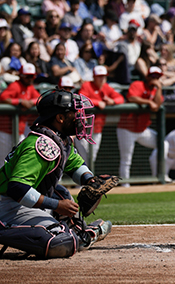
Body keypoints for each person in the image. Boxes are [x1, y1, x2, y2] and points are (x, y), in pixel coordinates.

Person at [0, 88, 111, 258]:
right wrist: (57, 206)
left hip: (20, 201)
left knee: (61, 193)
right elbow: (17, 188)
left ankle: (79, 233)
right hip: (7, 203)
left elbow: (75, 165)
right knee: (60, 242)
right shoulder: (41, 145)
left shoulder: (59, 139)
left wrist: (90, 181)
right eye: (74, 113)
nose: (80, 117)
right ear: (60, 118)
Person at [116, 66, 163, 185]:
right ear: (147, 76)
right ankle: (125, 185)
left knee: (163, 144)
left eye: (157, 77)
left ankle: (158, 177)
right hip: (127, 129)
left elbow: (157, 105)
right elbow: (131, 97)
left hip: (142, 130)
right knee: (126, 160)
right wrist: (148, 102)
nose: (155, 79)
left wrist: (159, 88)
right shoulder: (138, 84)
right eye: (153, 76)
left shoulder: (155, 90)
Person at [77, 65, 124, 165]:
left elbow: (121, 99)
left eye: (104, 76)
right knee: (85, 157)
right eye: (99, 76)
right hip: (82, 128)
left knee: (91, 158)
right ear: (94, 77)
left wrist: (112, 101)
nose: (102, 79)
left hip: (97, 128)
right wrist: (98, 102)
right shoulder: (87, 85)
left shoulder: (106, 87)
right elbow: (81, 98)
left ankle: (86, 178)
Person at [0, 63, 40, 164]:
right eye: (27, 77)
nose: (30, 79)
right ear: (21, 76)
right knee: (3, 162)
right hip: (6, 131)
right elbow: (3, 97)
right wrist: (20, 102)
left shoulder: (30, 87)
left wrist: (31, 102)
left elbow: (40, 98)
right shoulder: (15, 85)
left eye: (32, 76)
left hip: (20, 130)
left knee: (19, 160)